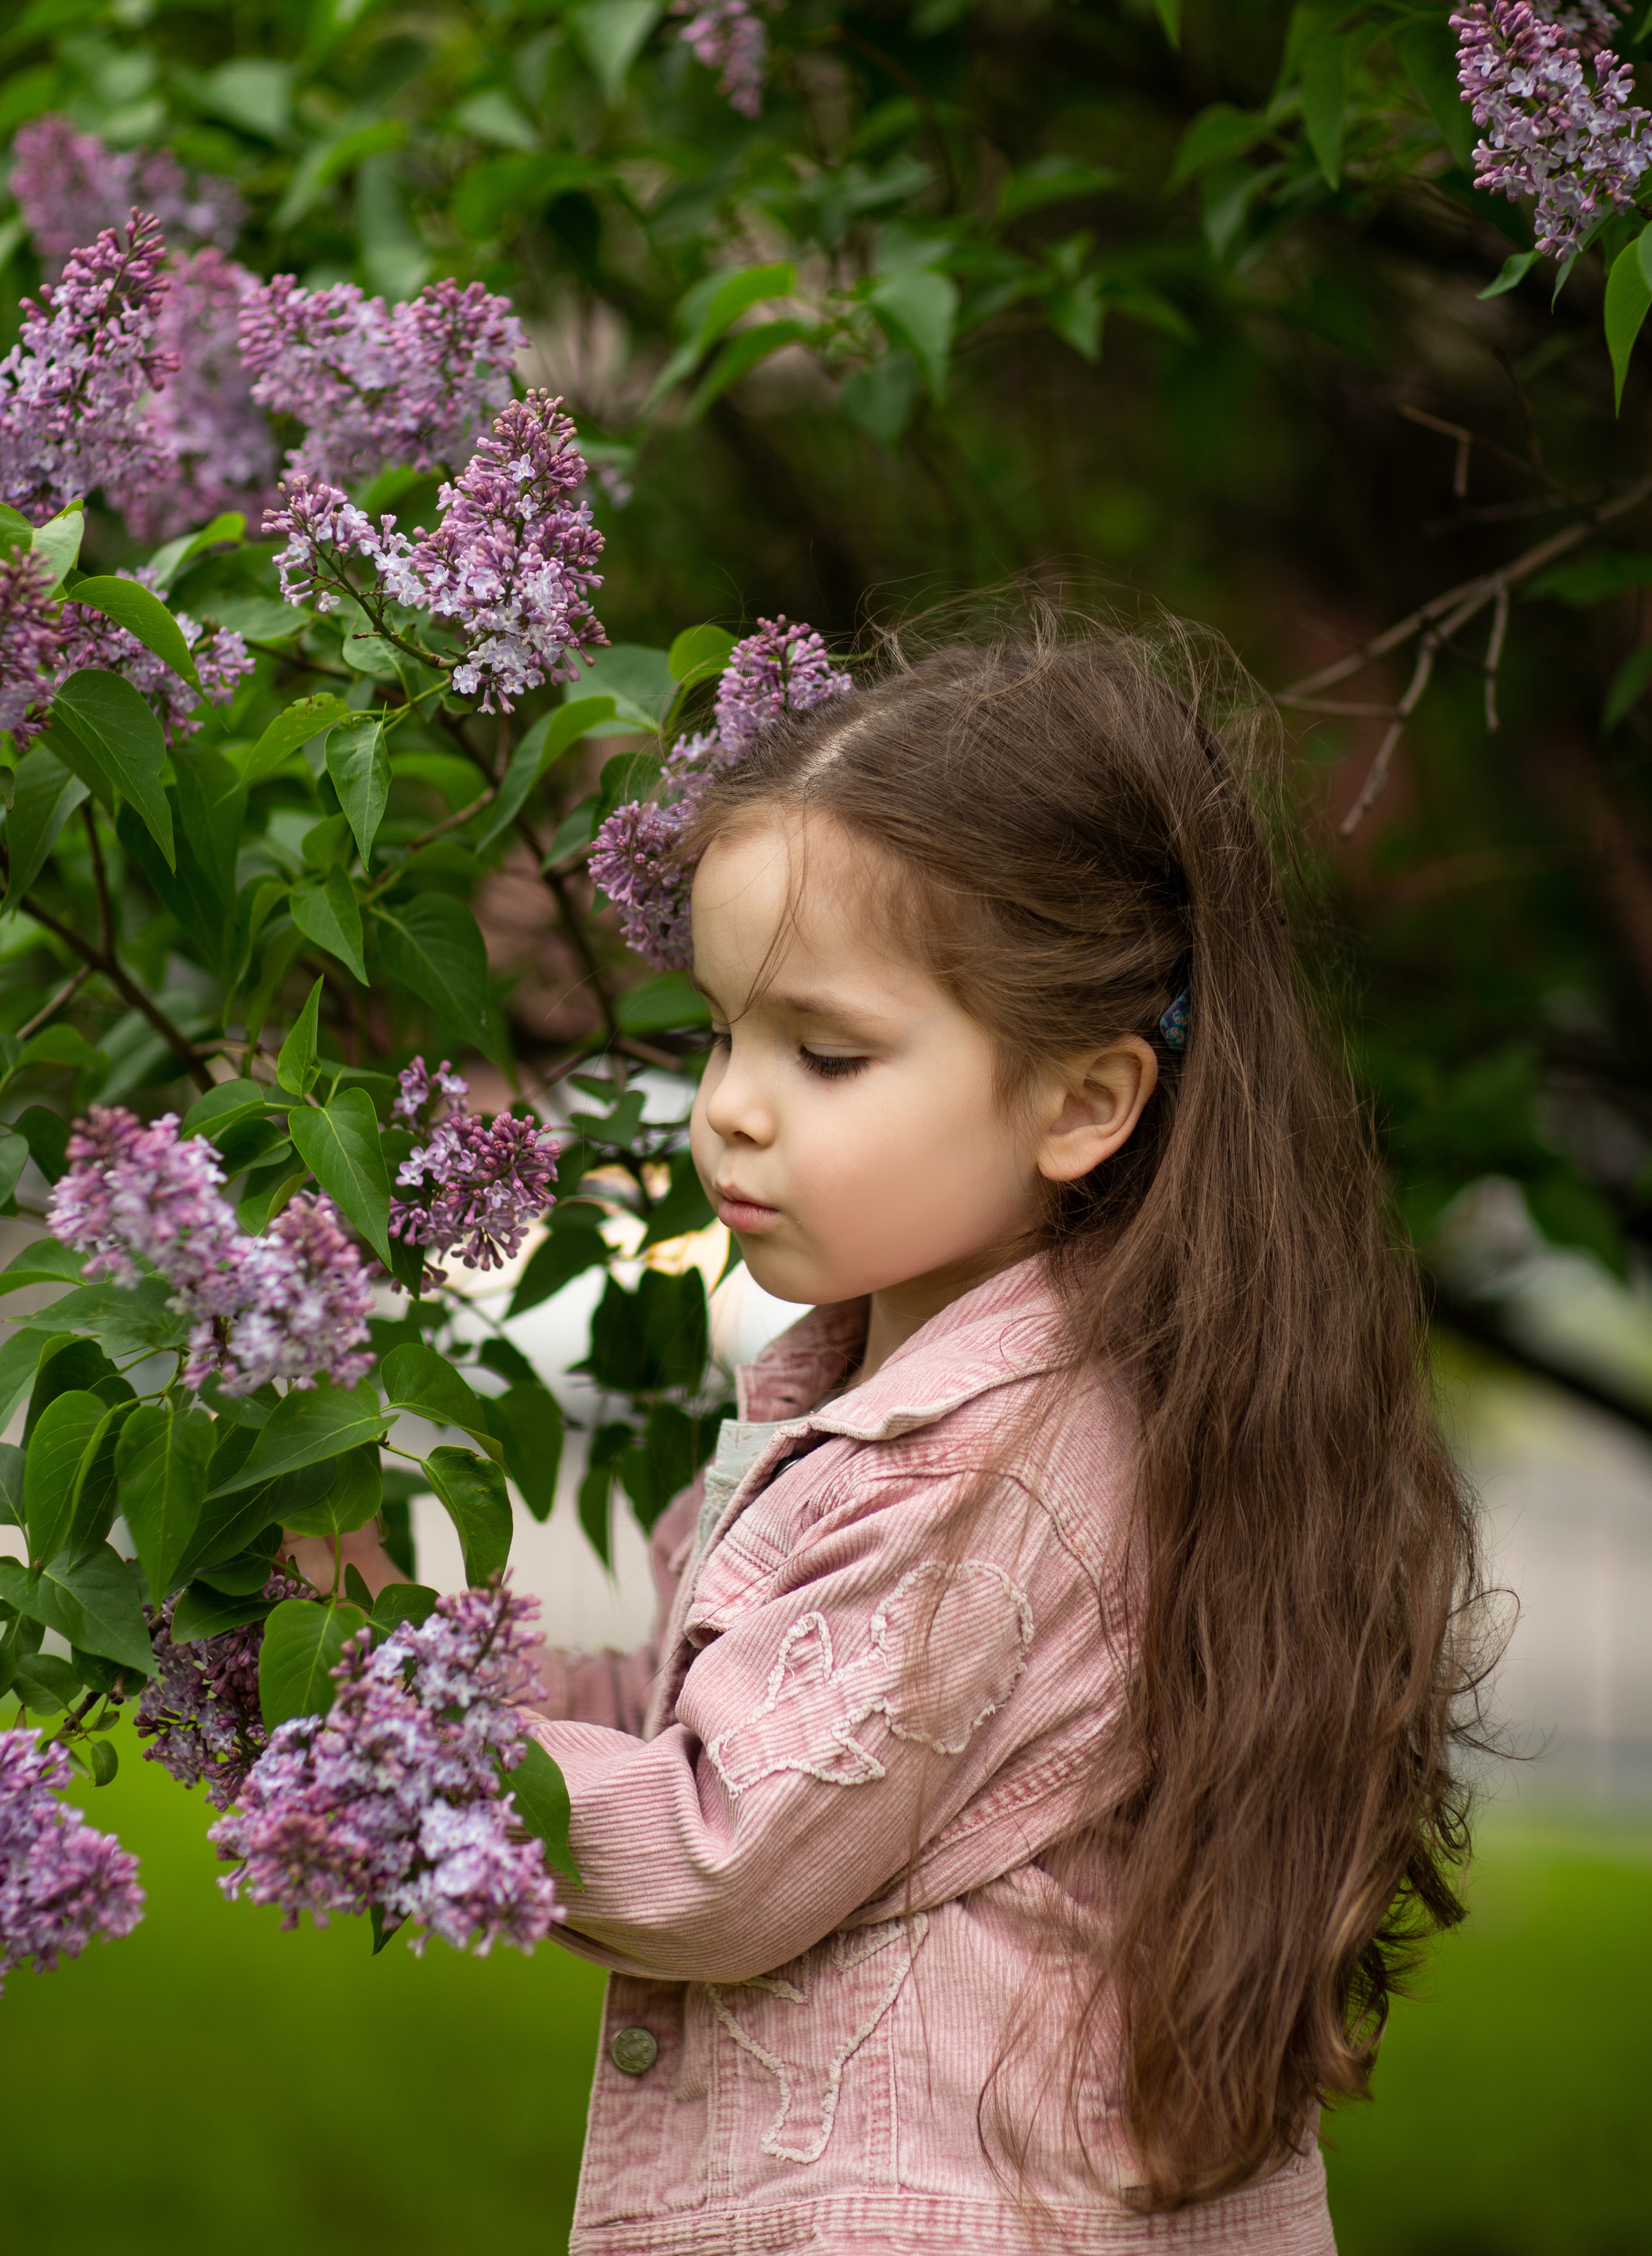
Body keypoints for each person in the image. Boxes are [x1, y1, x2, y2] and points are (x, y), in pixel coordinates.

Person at [342, 615, 1487, 2252]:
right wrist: (379, 1656)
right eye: (717, 1031)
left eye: (824, 1053)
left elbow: (709, 1850)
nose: (729, 1104)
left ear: (1081, 1102)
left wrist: (393, 1744)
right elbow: (719, 1724)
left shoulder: (985, 1468)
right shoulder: (907, 1390)